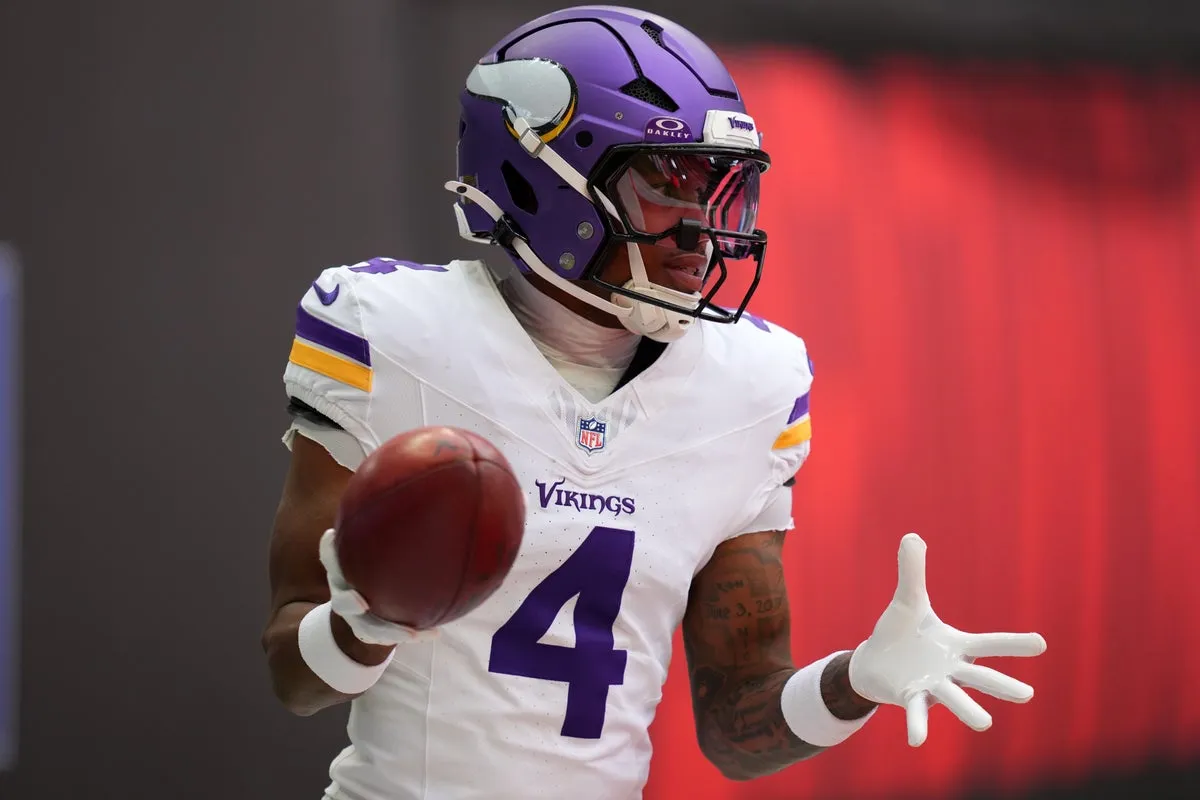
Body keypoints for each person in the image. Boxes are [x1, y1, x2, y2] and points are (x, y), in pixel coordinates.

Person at [261, 6, 1047, 799]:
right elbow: (293, 676)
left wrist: (856, 683)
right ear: (541, 178)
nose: (702, 227)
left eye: (715, 186)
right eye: (667, 184)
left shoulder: (751, 385)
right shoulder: (393, 333)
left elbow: (740, 724)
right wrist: (360, 627)